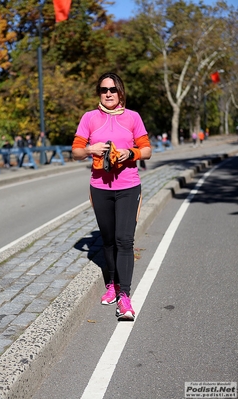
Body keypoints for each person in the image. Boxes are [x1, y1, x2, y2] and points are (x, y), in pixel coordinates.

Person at [72, 72, 151, 321]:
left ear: (120, 92)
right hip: (100, 187)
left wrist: (131, 153)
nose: (108, 93)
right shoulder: (89, 118)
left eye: (113, 89)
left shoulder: (133, 117)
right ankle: (112, 283)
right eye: (104, 89)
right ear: (99, 92)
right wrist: (89, 150)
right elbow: (75, 152)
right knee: (107, 239)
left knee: (124, 240)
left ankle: (124, 297)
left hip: (128, 186)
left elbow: (147, 150)